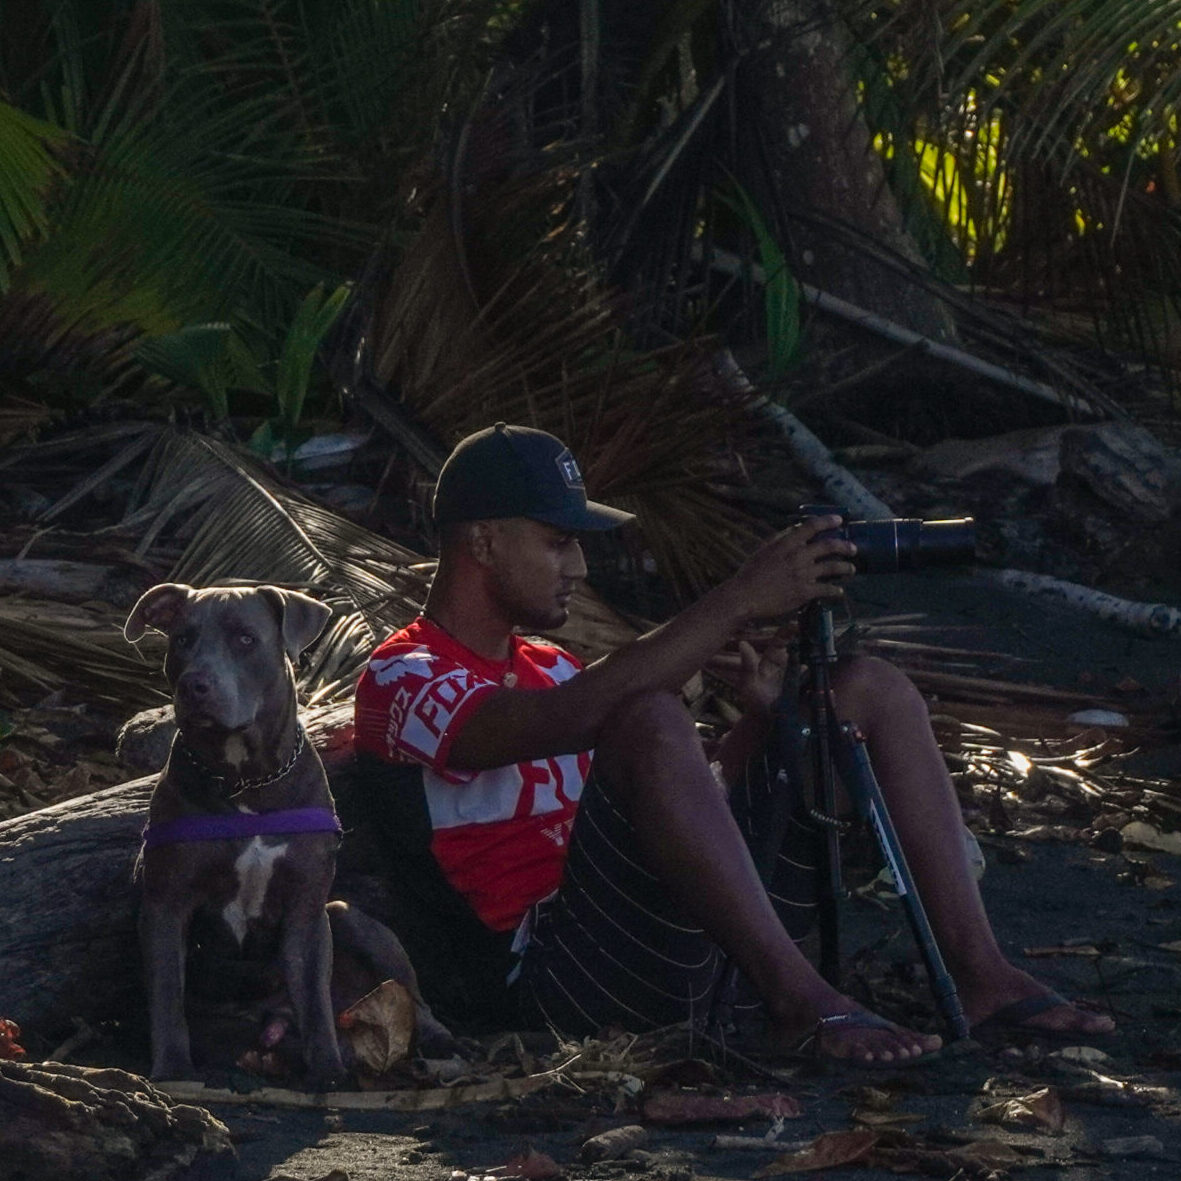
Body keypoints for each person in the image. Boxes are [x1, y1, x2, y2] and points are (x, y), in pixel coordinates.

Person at [354, 422, 1114, 1064]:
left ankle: (980, 973)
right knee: (648, 713)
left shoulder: (553, 664)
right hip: (543, 984)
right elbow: (560, 722)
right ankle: (798, 1001)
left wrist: (766, 721)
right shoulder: (404, 674)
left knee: (861, 689)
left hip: (656, 940)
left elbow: (674, 810)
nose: (578, 567)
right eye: (557, 543)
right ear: (483, 541)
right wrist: (738, 599)